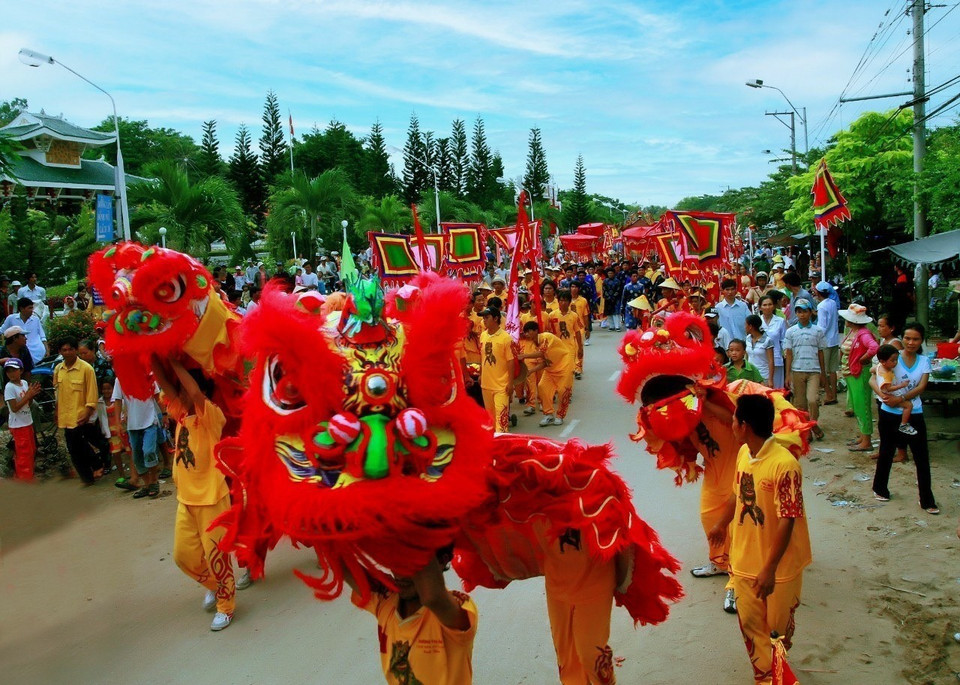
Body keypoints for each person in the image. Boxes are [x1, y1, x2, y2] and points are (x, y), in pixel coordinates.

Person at [709, 394, 811, 685]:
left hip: (780, 570)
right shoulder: (744, 453)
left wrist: (769, 568)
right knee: (752, 628)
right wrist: (720, 524)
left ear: (745, 425)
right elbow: (736, 493)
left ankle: (776, 672)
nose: (731, 424)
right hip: (742, 562)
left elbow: (787, 520)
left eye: (733, 419)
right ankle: (767, 678)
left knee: (777, 633)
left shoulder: (785, 465)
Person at [152, 357, 237, 630]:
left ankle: (226, 606)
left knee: (217, 557)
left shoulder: (211, 415)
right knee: (182, 556)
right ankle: (215, 585)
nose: (178, 393)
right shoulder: (179, 413)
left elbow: (196, 392)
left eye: (183, 388)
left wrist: (176, 363)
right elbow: (164, 384)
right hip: (185, 500)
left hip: (212, 499)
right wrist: (151, 353)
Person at [345, 548, 477, 685]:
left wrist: (412, 531)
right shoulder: (385, 599)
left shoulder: (458, 607)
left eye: (410, 564)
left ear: (442, 560)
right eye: (395, 562)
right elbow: (341, 563)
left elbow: (432, 597)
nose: (400, 574)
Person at [870, 323, 939, 515]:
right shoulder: (892, 358)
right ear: (903, 338)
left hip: (914, 413)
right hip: (889, 413)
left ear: (921, 341)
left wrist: (899, 399)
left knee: (922, 456)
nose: (910, 342)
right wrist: (884, 396)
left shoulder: (924, 361)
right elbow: (871, 378)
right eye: (907, 338)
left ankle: (927, 499)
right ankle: (880, 488)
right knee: (886, 451)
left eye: (915, 339)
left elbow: (921, 387)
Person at [54, 337, 102, 485]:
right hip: (65, 416)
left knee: (79, 444)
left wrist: (88, 412)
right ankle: (88, 475)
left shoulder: (86, 369)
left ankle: (95, 467)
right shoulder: (58, 370)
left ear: (76, 350)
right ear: (60, 352)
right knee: (73, 448)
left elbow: (92, 393)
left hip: (81, 414)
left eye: (70, 349)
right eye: (64, 350)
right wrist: (56, 412)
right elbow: (57, 393)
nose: (67, 352)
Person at [112, 377, 162, 499]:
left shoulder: (147, 375)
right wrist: (117, 422)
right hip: (133, 425)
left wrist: (164, 414)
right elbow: (117, 400)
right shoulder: (120, 379)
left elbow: (157, 396)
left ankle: (154, 481)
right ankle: (146, 484)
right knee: (137, 457)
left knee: (149, 451)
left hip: (150, 421)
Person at [838, 304, 879, 452]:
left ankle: (866, 440)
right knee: (858, 405)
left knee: (862, 406)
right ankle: (863, 437)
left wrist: (863, 359)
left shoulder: (863, 334)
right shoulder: (854, 332)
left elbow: (874, 348)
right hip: (853, 372)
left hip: (859, 373)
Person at [783, 299, 826, 439]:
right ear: (796, 313)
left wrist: (823, 373)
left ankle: (812, 424)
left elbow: (821, 352)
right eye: (799, 312)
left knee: (813, 400)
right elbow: (788, 354)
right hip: (797, 370)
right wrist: (788, 375)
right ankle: (808, 429)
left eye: (805, 311)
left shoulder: (818, 331)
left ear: (810, 312)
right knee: (800, 404)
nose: (802, 315)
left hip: (814, 370)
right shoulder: (791, 331)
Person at [520, 321, 575, 427]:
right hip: (551, 369)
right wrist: (531, 371)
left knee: (563, 391)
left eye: (528, 331)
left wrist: (524, 356)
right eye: (525, 332)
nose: (526, 334)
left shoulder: (546, 337)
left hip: (564, 366)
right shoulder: (535, 345)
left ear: (536, 331)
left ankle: (560, 416)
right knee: (542, 387)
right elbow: (544, 362)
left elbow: (541, 353)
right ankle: (549, 414)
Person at [479, 306, 521, 433]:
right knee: (490, 419)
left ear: (496, 318)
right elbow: (482, 357)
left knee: (501, 419)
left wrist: (510, 383)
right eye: (483, 318)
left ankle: (502, 446)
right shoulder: (483, 336)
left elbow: (510, 362)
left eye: (487, 317)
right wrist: (481, 374)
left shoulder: (505, 338)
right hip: (486, 385)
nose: (484, 320)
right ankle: (492, 447)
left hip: (501, 386)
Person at [4, 358, 41, 481]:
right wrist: (28, 396)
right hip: (18, 425)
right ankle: (25, 479)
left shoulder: (24, 383)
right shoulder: (9, 387)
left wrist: (32, 395)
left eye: (14, 370)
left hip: (27, 422)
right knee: (24, 453)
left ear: (21, 370)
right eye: (8, 371)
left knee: (31, 450)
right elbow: (14, 408)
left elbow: (28, 404)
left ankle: (27, 475)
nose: (11, 373)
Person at [875, 345, 917, 436]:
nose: (895, 363)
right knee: (909, 405)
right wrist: (901, 385)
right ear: (883, 361)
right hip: (890, 395)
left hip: (887, 395)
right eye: (893, 360)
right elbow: (888, 388)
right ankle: (904, 424)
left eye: (896, 360)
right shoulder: (886, 374)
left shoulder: (880, 366)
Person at [813, 282, 840, 404]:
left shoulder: (822, 306)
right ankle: (833, 394)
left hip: (825, 341)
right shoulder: (833, 303)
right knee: (833, 370)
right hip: (834, 340)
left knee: (823, 370)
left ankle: (829, 394)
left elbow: (822, 326)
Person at [550, 290, 584, 382]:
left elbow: (577, 332)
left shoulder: (574, 315)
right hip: (556, 347)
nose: (563, 303)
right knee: (557, 368)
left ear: (569, 302)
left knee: (568, 370)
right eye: (561, 300)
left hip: (570, 347)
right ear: (558, 301)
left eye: (565, 300)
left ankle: (567, 391)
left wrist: (580, 348)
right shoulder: (552, 315)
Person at [2, 298, 48, 364]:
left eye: (32, 308)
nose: (32, 310)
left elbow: (42, 336)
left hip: (37, 352)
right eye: (29, 308)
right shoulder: (11, 318)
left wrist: (47, 349)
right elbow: (2, 330)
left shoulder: (36, 319)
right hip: (21, 352)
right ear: (21, 308)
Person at [743, 315, 775, 387]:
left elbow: (771, 361)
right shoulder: (747, 338)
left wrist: (770, 379)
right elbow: (746, 357)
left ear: (750, 326)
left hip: (763, 376)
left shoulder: (767, 340)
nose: (744, 327)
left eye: (745, 325)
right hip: (750, 375)